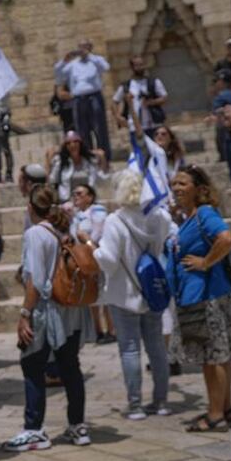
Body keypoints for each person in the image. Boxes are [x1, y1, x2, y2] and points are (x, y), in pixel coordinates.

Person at [5, 186, 94, 452]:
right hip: (71, 309)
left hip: (46, 311)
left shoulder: (35, 234)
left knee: (32, 366)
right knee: (70, 367)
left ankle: (34, 430)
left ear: (30, 208)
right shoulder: (65, 228)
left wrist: (24, 315)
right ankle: (77, 426)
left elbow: (35, 280)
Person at [92, 169, 171, 420]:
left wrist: (90, 248)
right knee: (157, 349)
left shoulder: (116, 220)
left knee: (130, 350)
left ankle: (135, 405)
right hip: (153, 292)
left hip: (125, 294)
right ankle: (160, 402)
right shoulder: (158, 217)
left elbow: (109, 260)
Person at [170, 166, 231, 432]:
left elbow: (227, 238)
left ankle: (215, 414)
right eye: (174, 184)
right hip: (207, 295)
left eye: (183, 183)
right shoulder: (191, 218)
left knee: (212, 357)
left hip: (208, 297)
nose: (176, 188)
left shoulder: (205, 214)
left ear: (199, 189)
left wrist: (206, 262)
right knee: (221, 355)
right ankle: (226, 408)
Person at [69, 183, 116, 344]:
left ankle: (111, 330)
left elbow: (97, 232)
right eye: (74, 193)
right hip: (85, 259)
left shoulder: (97, 211)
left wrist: (87, 242)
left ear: (90, 197)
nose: (76, 196)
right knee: (92, 296)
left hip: (97, 255)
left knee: (105, 294)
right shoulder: (75, 214)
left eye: (80, 194)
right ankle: (98, 331)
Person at [54, 40, 112, 161]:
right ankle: (88, 158)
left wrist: (89, 55)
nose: (82, 49)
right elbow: (59, 74)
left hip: (94, 97)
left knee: (99, 129)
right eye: (80, 46)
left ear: (90, 47)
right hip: (78, 99)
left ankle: (105, 158)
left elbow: (106, 67)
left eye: (85, 46)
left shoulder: (96, 60)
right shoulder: (73, 64)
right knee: (82, 130)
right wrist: (65, 60)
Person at [111, 55, 167, 139]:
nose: (140, 67)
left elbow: (164, 97)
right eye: (137, 65)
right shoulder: (126, 86)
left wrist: (151, 102)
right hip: (135, 126)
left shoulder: (153, 82)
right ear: (132, 67)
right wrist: (118, 117)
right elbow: (114, 102)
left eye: (142, 64)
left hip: (154, 124)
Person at [47, 130, 107, 202]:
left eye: (75, 142)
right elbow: (52, 180)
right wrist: (48, 161)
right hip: (67, 201)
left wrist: (103, 159)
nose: (72, 145)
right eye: (69, 143)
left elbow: (101, 178)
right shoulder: (60, 162)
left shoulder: (89, 161)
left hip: (87, 201)